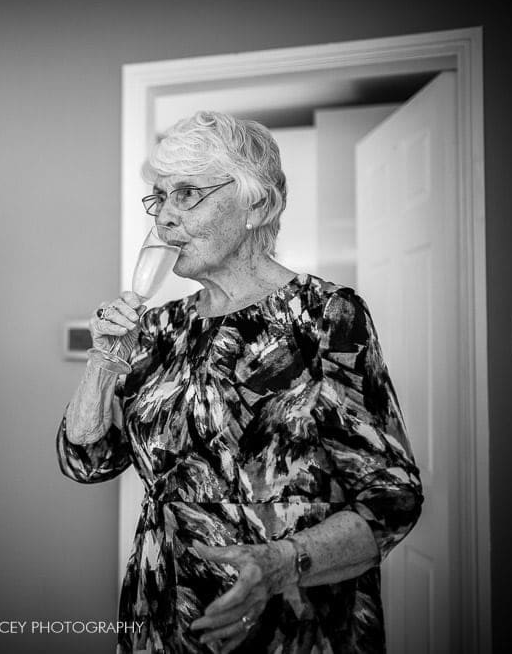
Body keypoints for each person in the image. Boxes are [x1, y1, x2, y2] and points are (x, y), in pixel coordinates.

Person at [58, 111, 423, 653]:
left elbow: (393, 500)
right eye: (158, 199)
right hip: (163, 614)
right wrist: (102, 366)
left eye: (187, 194)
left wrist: (278, 565)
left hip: (292, 620)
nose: (163, 221)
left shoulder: (324, 315)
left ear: (258, 205)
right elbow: (87, 462)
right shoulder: (160, 327)